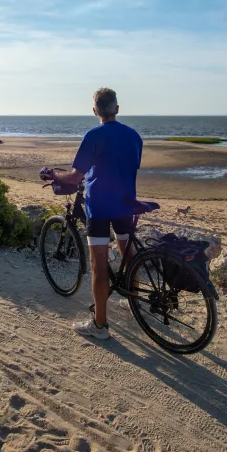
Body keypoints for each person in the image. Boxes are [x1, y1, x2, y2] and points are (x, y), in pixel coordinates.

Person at [48, 87, 143, 340]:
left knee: (98, 265)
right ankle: (134, 302)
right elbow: (125, 166)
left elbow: (74, 177)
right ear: (117, 109)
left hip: (99, 207)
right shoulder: (134, 136)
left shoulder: (93, 136)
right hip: (126, 204)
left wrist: (53, 173)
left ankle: (99, 325)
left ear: (94, 111)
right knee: (128, 254)